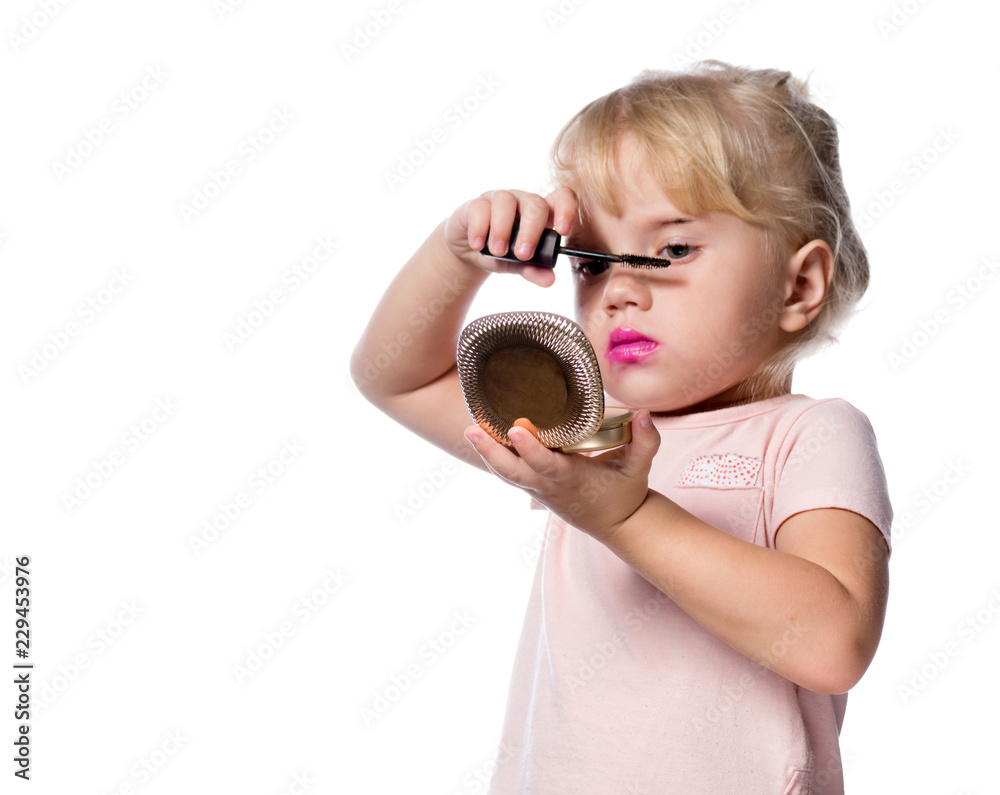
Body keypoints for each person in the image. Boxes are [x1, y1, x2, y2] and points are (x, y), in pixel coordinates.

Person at [351, 60, 891, 794]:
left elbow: (833, 642)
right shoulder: (586, 431)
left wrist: (626, 513)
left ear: (798, 285)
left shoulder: (809, 435)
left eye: (671, 250)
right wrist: (456, 257)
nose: (621, 292)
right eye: (595, 263)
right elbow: (394, 375)